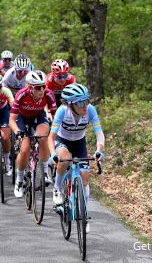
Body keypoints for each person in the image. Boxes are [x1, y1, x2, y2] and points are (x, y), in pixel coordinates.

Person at [48, 83, 105, 233]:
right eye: (80, 103)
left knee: (85, 179)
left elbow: (99, 133)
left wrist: (99, 151)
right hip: (62, 141)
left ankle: (84, 215)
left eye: (86, 101)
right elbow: (51, 137)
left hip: (79, 143)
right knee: (65, 159)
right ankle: (57, 188)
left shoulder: (90, 110)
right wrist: (53, 154)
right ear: (70, 104)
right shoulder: (62, 111)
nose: (84, 106)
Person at [9, 70, 57, 197]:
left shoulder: (48, 94)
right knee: (24, 150)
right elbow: (12, 120)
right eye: (38, 87)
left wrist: (56, 129)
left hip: (38, 117)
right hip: (22, 118)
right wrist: (17, 132)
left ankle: (45, 172)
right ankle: (19, 181)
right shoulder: (21, 95)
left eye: (44, 86)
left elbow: (54, 115)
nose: (42, 90)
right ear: (30, 87)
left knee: (42, 138)